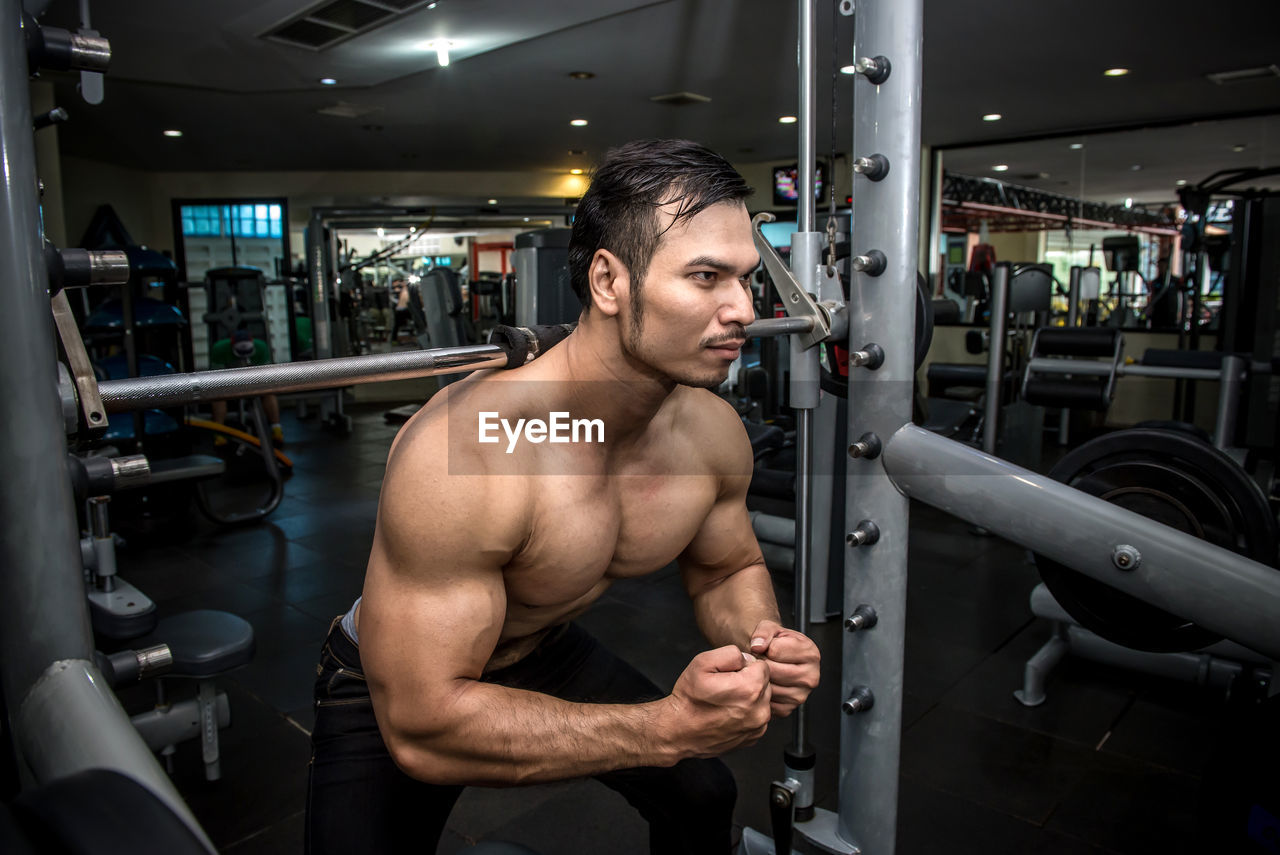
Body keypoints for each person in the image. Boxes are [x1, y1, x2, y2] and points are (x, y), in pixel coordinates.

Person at [306, 139, 822, 855]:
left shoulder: (709, 432)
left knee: (704, 791)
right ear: (609, 282)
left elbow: (726, 567)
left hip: (540, 642)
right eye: (706, 276)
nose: (743, 309)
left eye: (744, 278)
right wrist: (665, 726)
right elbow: (425, 724)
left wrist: (760, 638)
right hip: (400, 685)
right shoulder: (470, 449)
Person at [208, 328, 284, 447]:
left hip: (254, 381)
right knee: (217, 396)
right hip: (227, 382)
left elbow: (266, 375)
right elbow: (215, 377)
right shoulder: (219, 349)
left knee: (269, 393)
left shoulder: (261, 347)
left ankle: (276, 429)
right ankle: (218, 433)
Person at [388, 277, 411, 342]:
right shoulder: (398, 290)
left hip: (404, 309)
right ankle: (393, 339)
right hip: (400, 310)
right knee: (396, 325)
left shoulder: (405, 289)